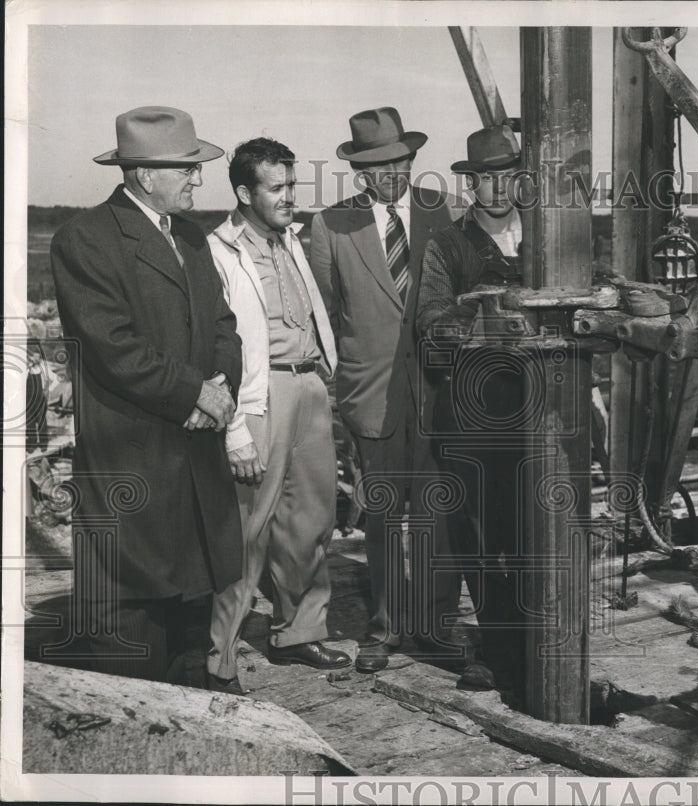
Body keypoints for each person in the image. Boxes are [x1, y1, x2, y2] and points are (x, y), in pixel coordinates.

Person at [49, 106, 243, 682]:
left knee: (193, 605)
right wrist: (195, 394)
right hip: (134, 463)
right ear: (143, 174)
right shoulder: (83, 239)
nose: (198, 179)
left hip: (195, 455)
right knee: (132, 624)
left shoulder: (189, 235)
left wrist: (222, 385)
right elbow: (114, 348)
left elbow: (222, 324)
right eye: (186, 169)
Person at [310, 107, 461, 673]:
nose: (391, 172)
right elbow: (325, 315)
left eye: (399, 160)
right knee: (379, 517)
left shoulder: (435, 210)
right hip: (370, 395)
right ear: (360, 172)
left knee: (437, 512)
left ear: (412, 159)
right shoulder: (330, 225)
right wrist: (342, 389)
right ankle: (385, 628)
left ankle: (437, 624)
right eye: (377, 164)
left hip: (435, 389)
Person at [205, 138, 348, 694]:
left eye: (294, 186)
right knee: (249, 531)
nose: (291, 197)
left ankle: (298, 632)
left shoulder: (292, 239)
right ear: (244, 192)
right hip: (262, 398)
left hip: (310, 388)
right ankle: (219, 659)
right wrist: (235, 423)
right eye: (278, 188)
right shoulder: (219, 250)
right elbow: (220, 340)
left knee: (311, 521)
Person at [416, 124, 528, 692]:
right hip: (471, 415)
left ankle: (540, 642)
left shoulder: (549, 244)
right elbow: (430, 324)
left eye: (508, 175)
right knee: (480, 535)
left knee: (537, 528)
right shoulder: (448, 246)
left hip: (538, 414)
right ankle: (498, 645)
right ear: (471, 184)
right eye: (487, 178)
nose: (498, 188)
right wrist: (475, 314)